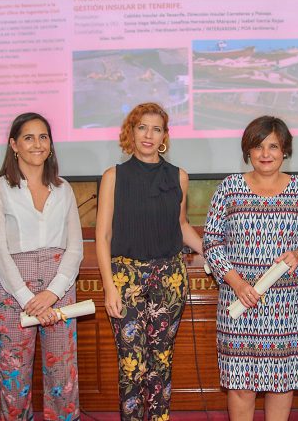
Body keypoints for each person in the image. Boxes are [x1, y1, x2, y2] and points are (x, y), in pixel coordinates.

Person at [203, 116, 298, 421]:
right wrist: (238, 283)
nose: (265, 153)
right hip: (240, 305)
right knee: (241, 386)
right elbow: (212, 243)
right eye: (258, 146)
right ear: (248, 151)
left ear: (285, 151)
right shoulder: (229, 189)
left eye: (273, 146)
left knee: (281, 385)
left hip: (289, 311)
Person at [96, 102, 202, 421]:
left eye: (156, 129)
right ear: (132, 131)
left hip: (169, 278)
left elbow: (181, 225)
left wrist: (215, 253)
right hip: (125, 281)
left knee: (161, 364)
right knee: (132, 365)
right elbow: (102, 237)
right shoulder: (113, 177)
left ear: (164, 136)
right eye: (142, 127)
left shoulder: (178, 177)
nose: (148, 135)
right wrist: (109, 288)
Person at [0, 112, 83, 420]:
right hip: (14, 293)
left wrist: (50, 294)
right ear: (14, 144)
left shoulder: (63, 189)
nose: (37, 144)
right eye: (28, 137)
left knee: (62, 378)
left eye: (43, 137)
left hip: (59, 290)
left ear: (51, 145)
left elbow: (76, 248)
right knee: (14, 378)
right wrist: (29, 300)